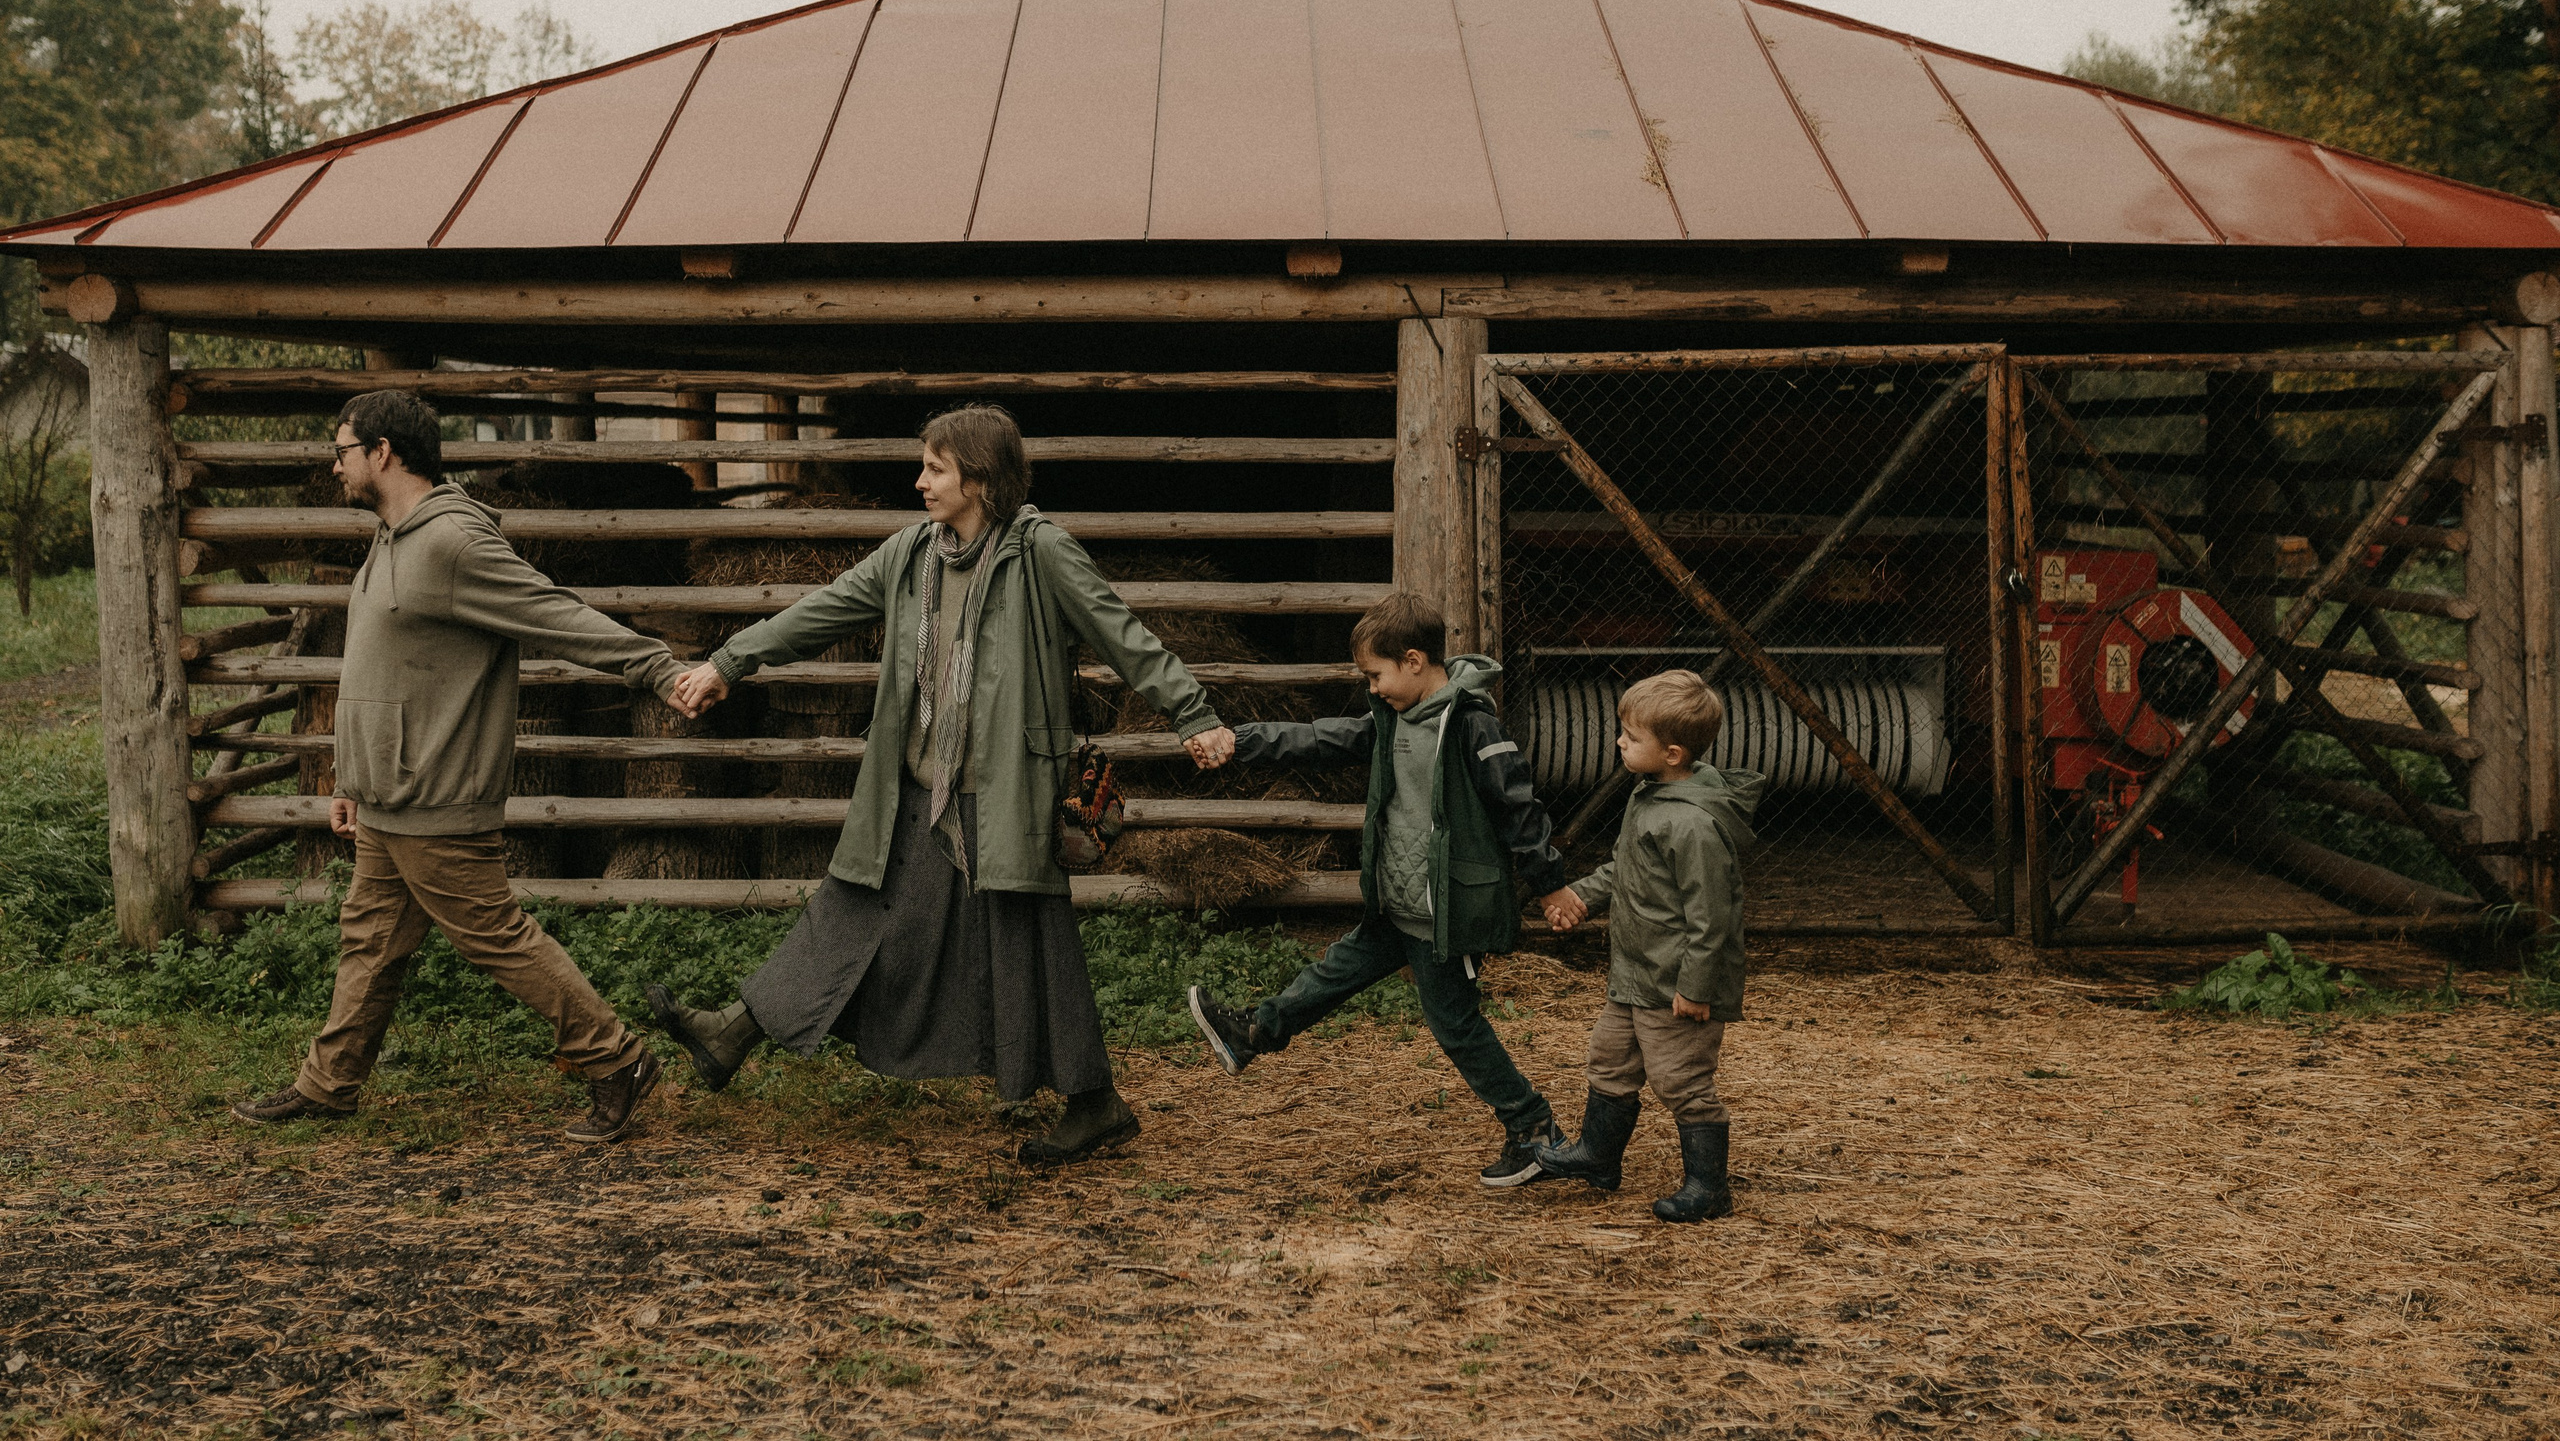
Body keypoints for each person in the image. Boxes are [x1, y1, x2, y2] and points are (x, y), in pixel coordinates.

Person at [647, 405, 1234, 1165]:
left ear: (980, 481)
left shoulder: (1042, 553)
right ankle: (731, 1034)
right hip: (919, 788)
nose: (919, 480)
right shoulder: (911, 556)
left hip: (1006, 793)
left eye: (935, 468)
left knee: (1027, 942)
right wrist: (730, 661)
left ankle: (1094, 1102)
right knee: (852, 910)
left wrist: (1193, 713)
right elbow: (821, 610)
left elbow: (1123, 633)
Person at [232, 391, 693, 1144]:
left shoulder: (452, 544)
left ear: (384, 452)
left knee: (494, 935)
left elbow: (554, 612)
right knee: (370, 935)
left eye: (342, 448)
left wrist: (656, 669)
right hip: (388, 792)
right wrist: (351, 775)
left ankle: (616, 1059)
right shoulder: (392, 536)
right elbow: (381, 668)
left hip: (436, 789)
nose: (335, 463)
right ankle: (329, 1082)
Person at [1183, 592, 1574, 1187]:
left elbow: (1518, 808)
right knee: (1335, 972)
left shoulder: (1472, 725)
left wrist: (1549, 886)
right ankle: (1253, 1033)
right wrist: (1245, 741)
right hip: (1399, 903)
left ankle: (1533, 1128)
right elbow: (1322, 738)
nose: (1371, 688)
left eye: (1376, 674)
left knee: (1456, 1026)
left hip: (1443, 911)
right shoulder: (1393, 719)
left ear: (1414, 661)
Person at [1531, 670, 1762, 1222]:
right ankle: (1597, 1157)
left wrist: (1696, 987)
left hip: (1675, 986)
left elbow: (1713, 919)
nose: (1620, 743)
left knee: (1681, 1081)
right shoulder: (1650, 795)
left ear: (1674, 752)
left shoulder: (1693, 826)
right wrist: (1580, 899)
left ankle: (1709, 1188)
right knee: (1609, 1062)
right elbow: (1624, 868)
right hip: (1635, 974)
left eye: (1631, 737)